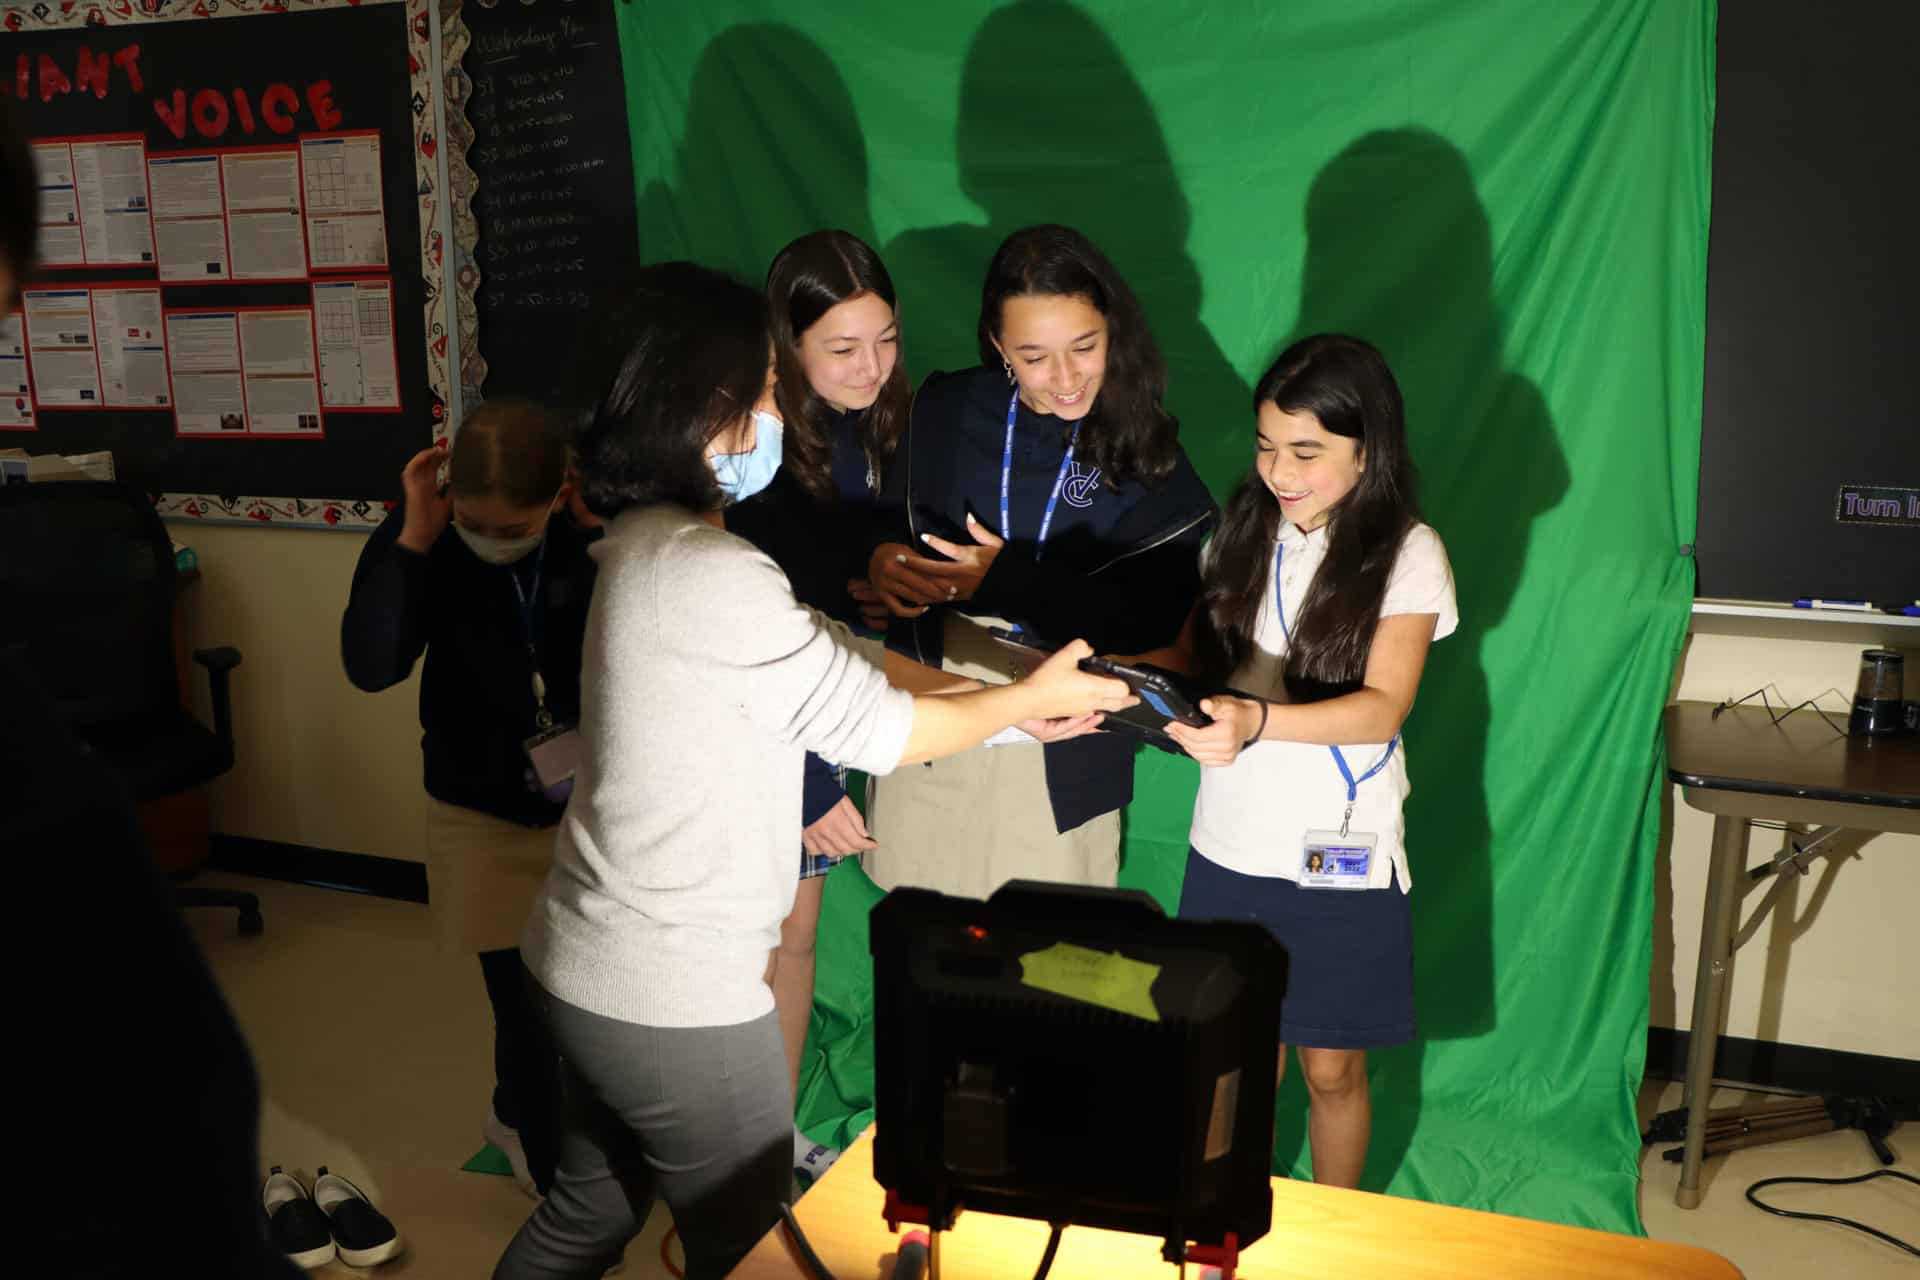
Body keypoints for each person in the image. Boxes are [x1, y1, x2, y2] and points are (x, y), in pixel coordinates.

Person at [493, 262, 1132, 1280]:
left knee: (586, 1215)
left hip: (578, 962)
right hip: (675, 995)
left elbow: (838, 654)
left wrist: (1019, 711)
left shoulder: (645, 543)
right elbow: (877, 729)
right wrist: (1021, 701)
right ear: (699, 412)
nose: (775, 414)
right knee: (755, 1249)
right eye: (761, 393)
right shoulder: (714, 569)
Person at [1154, 334, 1458, 1189]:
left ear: (1368, 450)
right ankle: (1223, 1224)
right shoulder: (1239, 532)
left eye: (1306, 451)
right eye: (1265, 446)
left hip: (1339, 854)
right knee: (1236, 1064)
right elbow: (1197, 658)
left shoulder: (1410, 553)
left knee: (1331, 1070)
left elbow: (1383, 707)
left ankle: (1336, 1234)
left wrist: (1255, 721)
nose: (1279, 472)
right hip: (1228, 847)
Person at [863, 224, 1216, 900]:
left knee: (1046, 947)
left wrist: (1004, 581)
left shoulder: (1149, 453)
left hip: (1066, 735)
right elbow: (886, 525)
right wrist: (882, 559)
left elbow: (1155, 631)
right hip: (938, 709)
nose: (1065, 378)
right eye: (1033, 357)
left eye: (1085, 347)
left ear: (1112, 330)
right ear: (999, 346)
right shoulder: (943, 408)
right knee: (921, 933)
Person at [340, 399, 596, 1199]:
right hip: (477, 808)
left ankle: (515, 1114)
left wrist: (596, 537)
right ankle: (555, 1179)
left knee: (581, 996)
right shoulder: (423, 534)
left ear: (561, 492)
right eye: (474, 523)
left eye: (513, 528)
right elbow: (371, 666)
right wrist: (416, 540)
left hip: (586, 803)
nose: (491, 539)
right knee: (524, 1004)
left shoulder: (589, 531)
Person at [721, 230, 907, 1159]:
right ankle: (736, 1149)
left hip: (827, 707)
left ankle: (776, 1136)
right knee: (753, 945)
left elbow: (835, 567)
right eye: (842, 348)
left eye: (886, 340)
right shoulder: (746, 453)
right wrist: (807, 781)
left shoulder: (874, 422)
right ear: (785, 349)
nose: (871, 366)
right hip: (756, 731)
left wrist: (888, 581)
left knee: (796, 938)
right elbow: (734, 640)